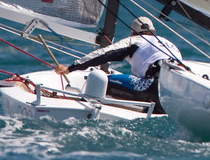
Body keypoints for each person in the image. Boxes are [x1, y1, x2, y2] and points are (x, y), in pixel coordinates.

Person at [54, 15, 182, 104]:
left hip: (153, 89)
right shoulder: (168, 43)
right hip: (178, 94)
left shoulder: (134, 41)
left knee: (102, 81)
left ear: (133, 33)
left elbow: (102, 54)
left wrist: (70, 68)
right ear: (154, 31)